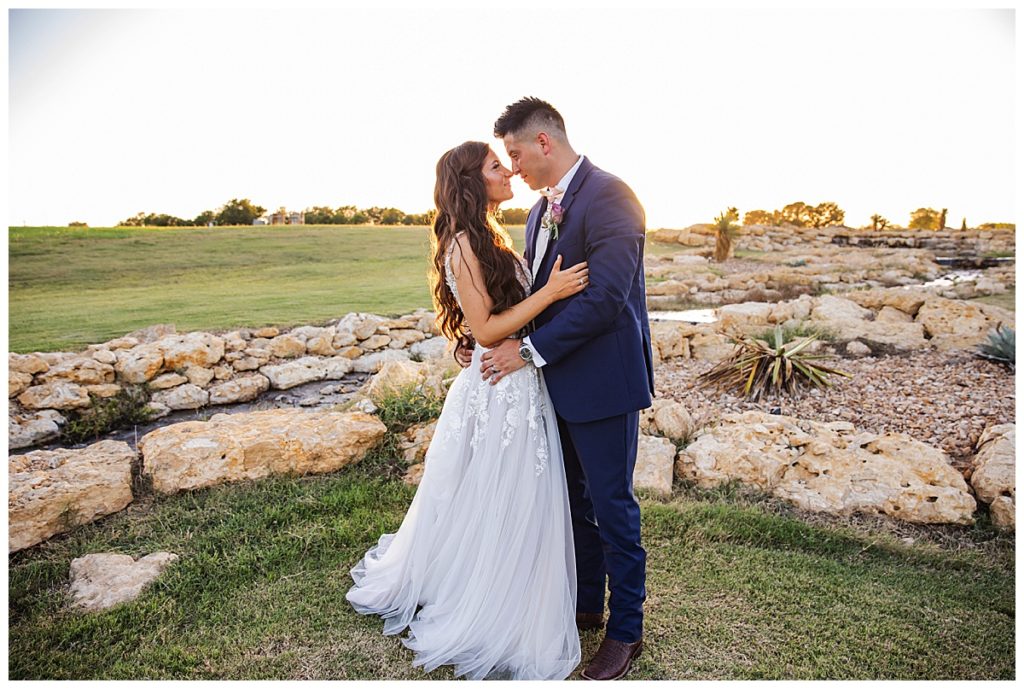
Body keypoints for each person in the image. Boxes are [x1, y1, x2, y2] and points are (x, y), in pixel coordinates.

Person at [346, 140, 590, 680]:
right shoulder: (461, 243)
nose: (508, 172)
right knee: (495, 494)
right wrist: (549, 293)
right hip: (498, 387)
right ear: (471, 181)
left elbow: (482, 323)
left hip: (515, 380)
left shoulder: (491, 233)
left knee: (510, 494)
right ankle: (484, 600)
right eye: (496, 166)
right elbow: (485, 330)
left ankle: (515, 588)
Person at [467, 97, 655, 681]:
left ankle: (626, 631)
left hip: (603, 383)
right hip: (553, 385)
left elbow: (606, 300)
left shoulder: (611, 197)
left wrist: (523, 352)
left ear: (544, 142)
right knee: (574, 503)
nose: (514, 168)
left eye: (517, 154)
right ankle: (585, 605)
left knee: (612, 505)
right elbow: (536, 298)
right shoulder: (537, 214)